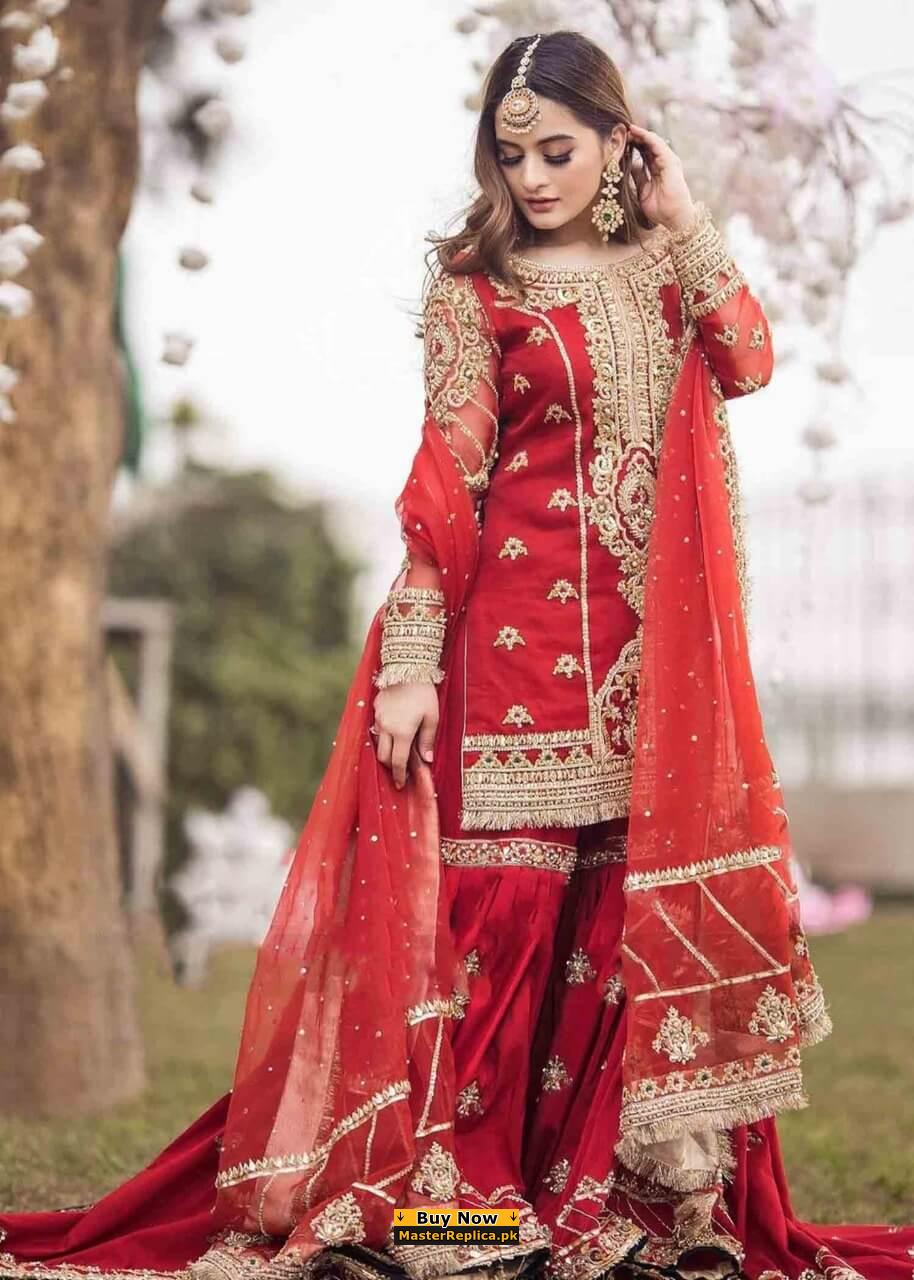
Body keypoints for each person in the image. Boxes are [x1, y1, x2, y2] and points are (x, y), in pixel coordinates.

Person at [1, 27, 911, 1280]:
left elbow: (746, 358)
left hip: (650, 678)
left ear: (618, 141)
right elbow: (447, 483)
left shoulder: (667, 270)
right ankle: (459, 1219)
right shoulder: (475, 291)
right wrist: (412, 662)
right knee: (497, 933)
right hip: (510, 662)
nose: (530, 177)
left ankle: (610, 1211)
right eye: (510, 154)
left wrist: (685, 218)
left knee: (609, 934)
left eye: (557, 151)